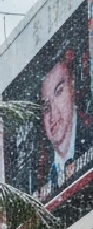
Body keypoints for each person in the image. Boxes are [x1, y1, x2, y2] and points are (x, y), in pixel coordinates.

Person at [40, 54, 93, 187]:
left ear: (73, 89)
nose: (53, 112)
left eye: (58, 92)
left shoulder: (89, 138)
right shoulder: (40, 174)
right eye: (46, 106)